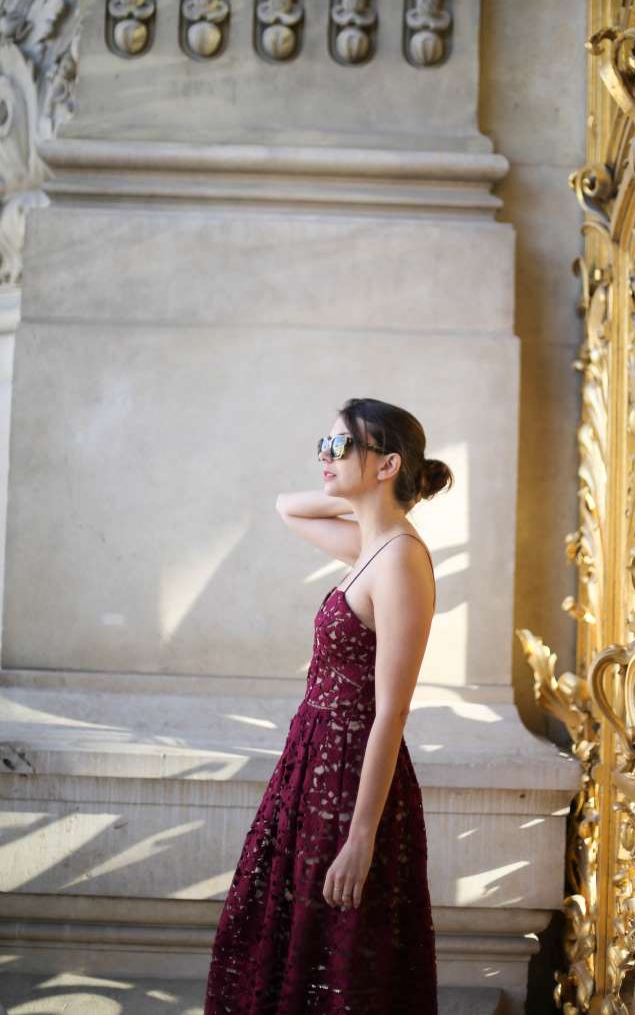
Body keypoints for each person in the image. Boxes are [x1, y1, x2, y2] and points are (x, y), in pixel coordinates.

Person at [203, 396, 454, 1014]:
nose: (324, 456)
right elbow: (286, 508)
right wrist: (365, 493)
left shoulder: (400, 561)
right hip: (312, 766)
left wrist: (361, 836)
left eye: (341, 446)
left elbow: (391, 711)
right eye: (325, 443)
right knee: (288, 940)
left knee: (341, 948)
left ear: (388, 463)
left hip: (350, 781)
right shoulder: (371, 545)